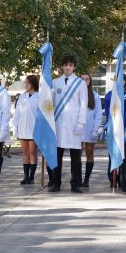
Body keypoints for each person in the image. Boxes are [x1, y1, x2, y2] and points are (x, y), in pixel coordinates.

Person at [50, 55, 88, 193]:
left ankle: (76, 184)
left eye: (70, 65)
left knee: (75, 158)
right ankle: (55, 183)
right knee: (57, 156)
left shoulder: (80, 83)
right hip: (58, 124)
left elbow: (83, 104)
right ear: (62, 66)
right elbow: (51, 104)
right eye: (65, 65)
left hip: (74, 124)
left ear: (74, 67)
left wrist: (81, 122)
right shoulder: (55, 82)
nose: (68, 67)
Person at [12, 75, 39, 184]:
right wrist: (15, 127)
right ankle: (25, 176)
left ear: (33, 84)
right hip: (22, 128)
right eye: (25, 82)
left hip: (34, 129)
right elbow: (17, 114)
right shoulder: (22, 97)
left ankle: (31, 177)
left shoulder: (39, 97)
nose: (25, 85)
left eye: (27, 82)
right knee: (25, 152)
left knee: (32, 152)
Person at [80, 73, 102, 188]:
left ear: (90, 81)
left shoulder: (95, 96)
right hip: (77, 130)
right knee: (76, 155)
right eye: (82, 79)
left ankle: (86, 180)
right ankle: (77, 179)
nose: (84, 81)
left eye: (87, 79)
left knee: (89, 154)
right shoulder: (76, 94)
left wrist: (95, 129)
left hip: (89, 129)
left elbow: (98, 114)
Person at [105, 75, 126, 189]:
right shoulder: (109, 96)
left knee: (124, 158)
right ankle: (112, 179)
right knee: (113, 156)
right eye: (116, 81)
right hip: (114, 130)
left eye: (121, 81)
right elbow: (109, 115)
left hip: (125, 130)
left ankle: (123, 181)